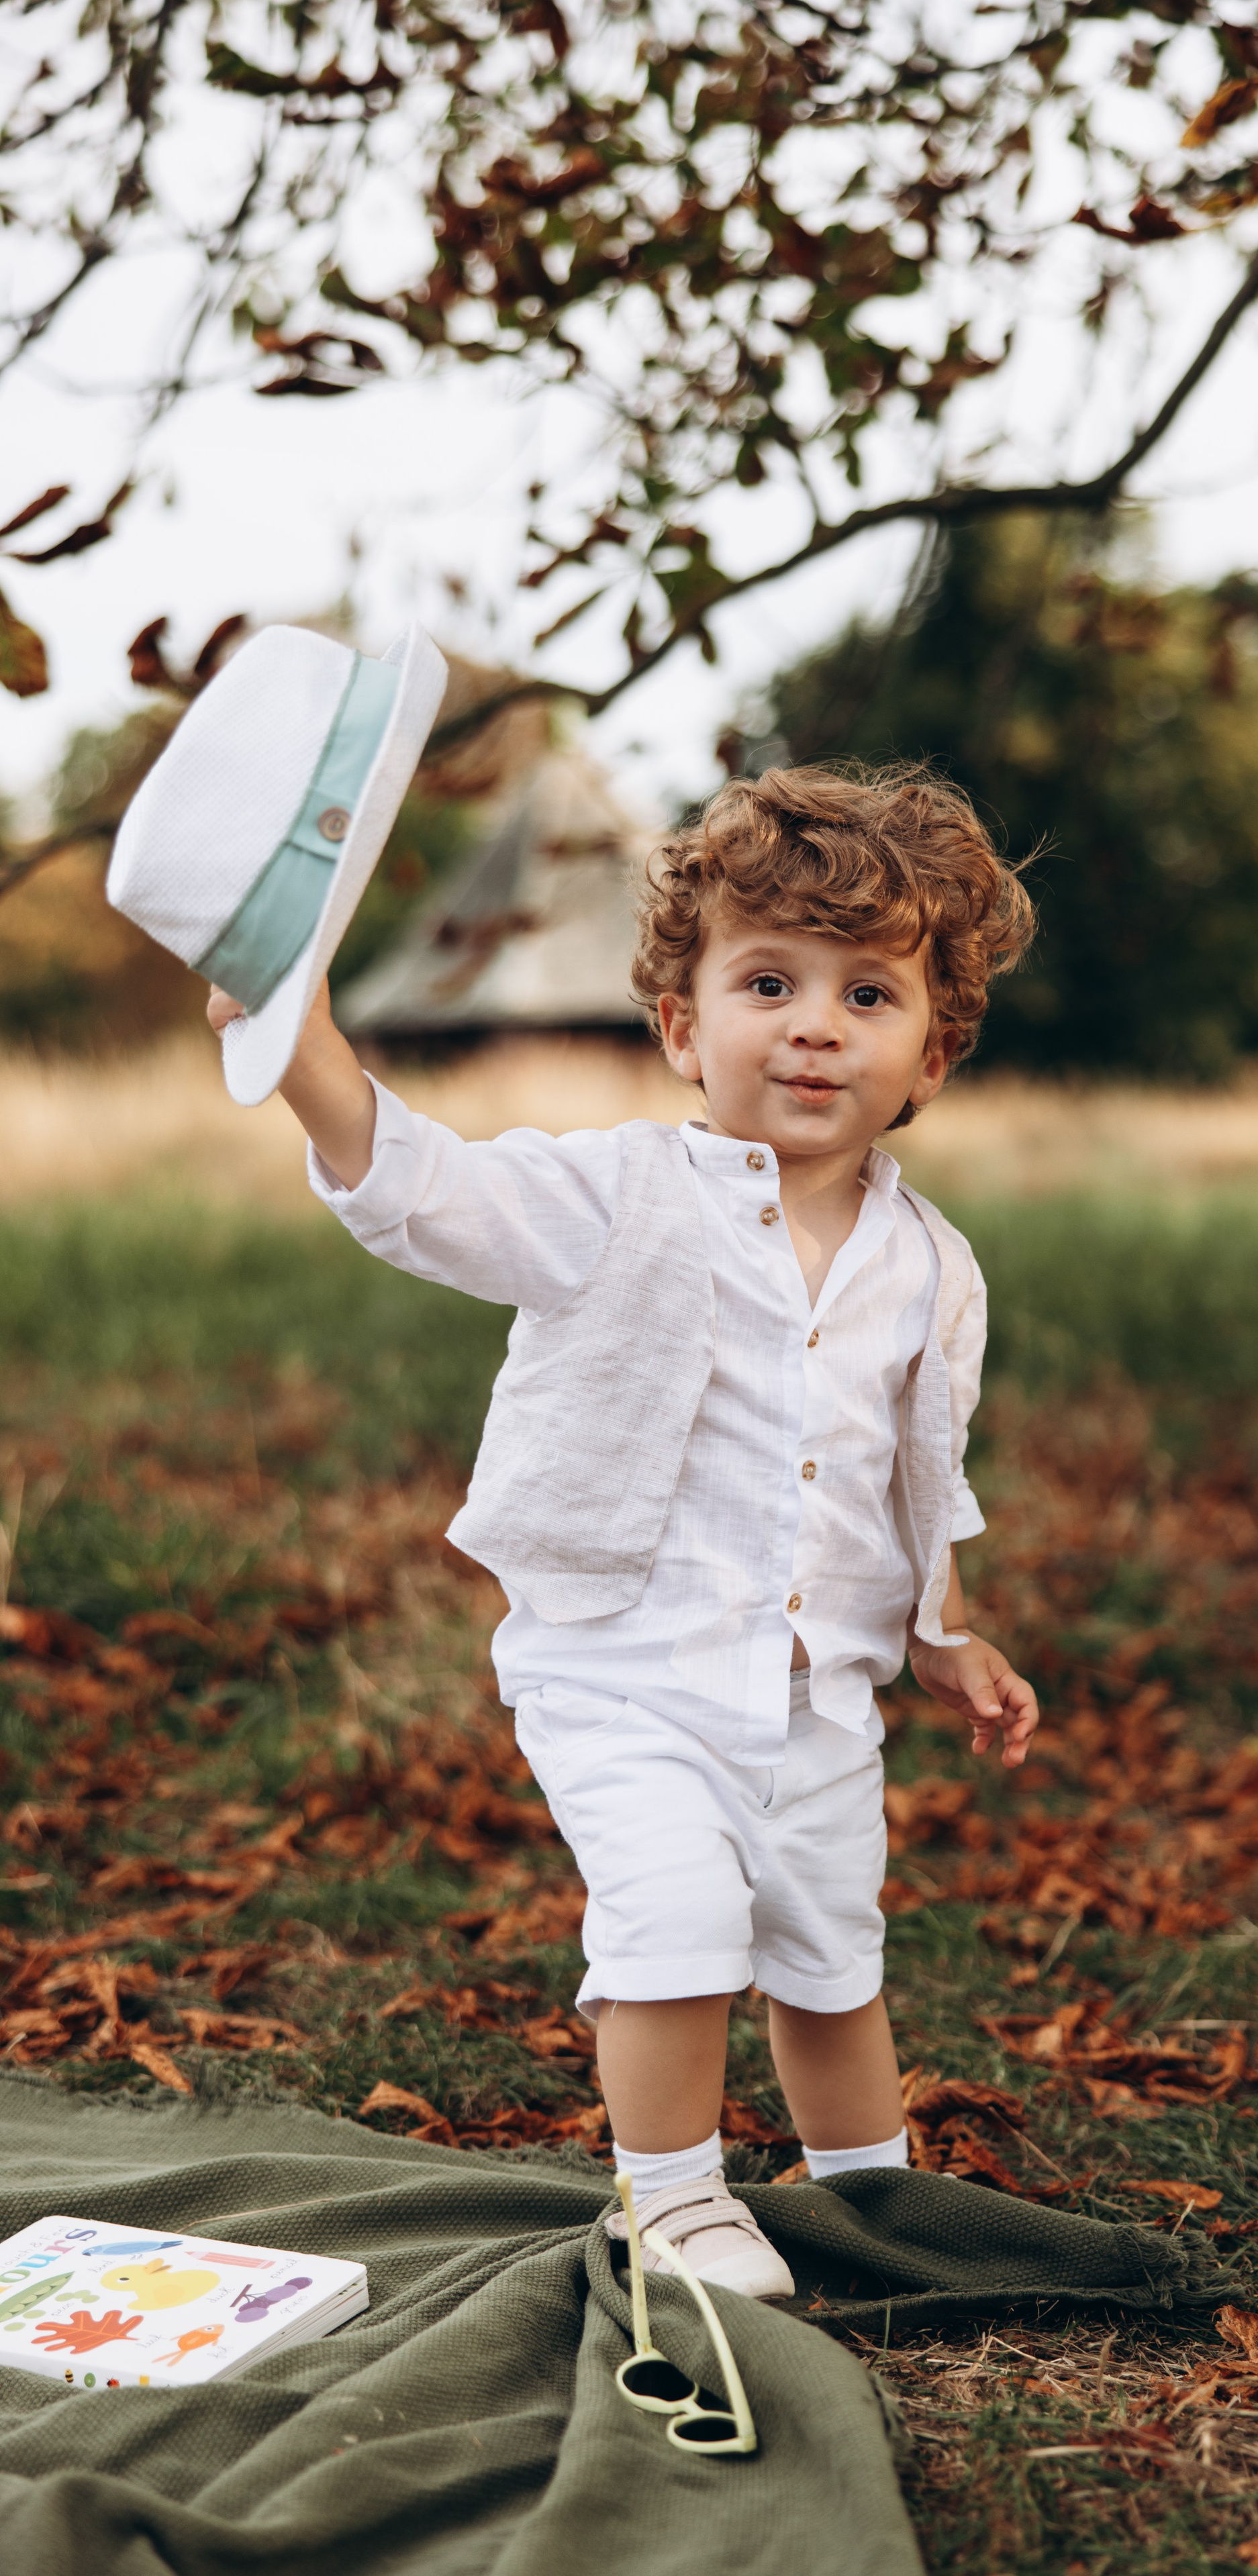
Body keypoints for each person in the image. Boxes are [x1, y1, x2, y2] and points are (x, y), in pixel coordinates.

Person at [209, 761, 1041, 2300]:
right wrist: (304, 1047)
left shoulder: (936, 1266)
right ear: (680, 1026)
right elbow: (432, 1193)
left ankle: (867, 2190)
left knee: (826, 1938)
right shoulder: (616, 1194)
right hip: (625, 1662)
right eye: (769, 980)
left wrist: (943, 1630)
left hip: (814, 1689)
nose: (813, 1022)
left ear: (930, 1053)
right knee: (675, 1911)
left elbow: (913, 1467)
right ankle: (669, 2194)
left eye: (868, 994)